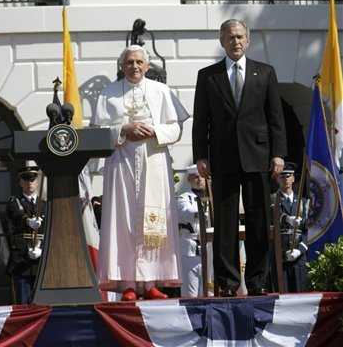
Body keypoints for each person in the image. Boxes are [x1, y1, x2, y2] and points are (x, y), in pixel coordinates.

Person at [192, 19, 287, 297]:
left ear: (248, 40)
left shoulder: (265, 72)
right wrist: (201, 156)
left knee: (259, 221)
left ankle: (258, 281)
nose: (236, 42)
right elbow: (201, 121)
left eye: (240, 37)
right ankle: (228, 283)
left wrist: (278, 153)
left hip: (258, 156)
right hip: (222, 159)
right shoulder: (208, 76)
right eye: (230, 37)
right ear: (222, 41)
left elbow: (275, 118)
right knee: (225, 223)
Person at [92, 45, 189, 301]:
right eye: (129, 62)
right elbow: (99, 132)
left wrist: (153, 130)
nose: (134, 67)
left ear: (146, 66)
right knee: (122, 221)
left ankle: (151, 283)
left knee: (153, 220)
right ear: (122, 66)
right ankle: (128, 284)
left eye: (139, 62)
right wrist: (124, 129)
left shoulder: (161, 91)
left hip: (153, 161)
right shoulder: (108, 94)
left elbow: (176, 128)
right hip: (121, 164)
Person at [6, 160, 44, 304]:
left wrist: (41, 248)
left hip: (41, 263)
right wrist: (28, 221)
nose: (30, 183)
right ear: (20, 182)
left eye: (33, 179)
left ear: (37, 181)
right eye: (25, 179)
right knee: (23, 305)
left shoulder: (45, 204)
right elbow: (16, 216)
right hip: (21, 261)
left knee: (41, 305)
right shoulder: (14, 202)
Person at [176, 164, 213, 297]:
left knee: (210, 291)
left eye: (202, 177)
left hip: (209, 249)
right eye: (196, 177)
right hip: (190, 251)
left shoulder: (212, 198)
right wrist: (203, 213)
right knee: (190, 293)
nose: (200, 180)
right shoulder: (183, 197)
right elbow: (185, 213)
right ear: (189, 180)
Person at [273, 162, 308, 292]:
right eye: (282, 176)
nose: (285, 179)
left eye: (288, 176)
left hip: (298, 256)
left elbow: (308, 231)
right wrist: (286, 219)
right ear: (277, 179)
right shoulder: (273, 200)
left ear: (293, 179)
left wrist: (300, 250)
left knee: (300, 295)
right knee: (283, 295)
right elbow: (273, 218)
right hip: (280, 255)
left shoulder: (303, 202)